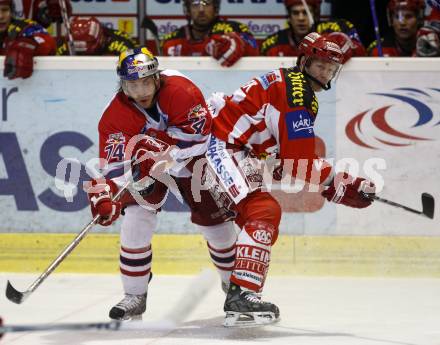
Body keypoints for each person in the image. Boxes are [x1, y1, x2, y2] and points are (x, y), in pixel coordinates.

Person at [206, 32, 376, 327]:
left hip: (231, 145)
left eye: (330, 68)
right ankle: (241, 293)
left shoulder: (289, 81)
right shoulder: (299, 96)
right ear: (304, 61)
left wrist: (330, 185)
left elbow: (276, 145)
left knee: (254, 213)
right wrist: (344, 183)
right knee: (263, 211)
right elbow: (299, 164)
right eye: (319, 65)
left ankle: (238, 288)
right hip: (222, 145)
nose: (325, 72)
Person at [85, 47, 238, 321]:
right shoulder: (115, 116)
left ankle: (236, 289)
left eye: (146, 81)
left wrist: (155, 150)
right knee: (135, 215)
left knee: (214, 222)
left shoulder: (181, 91)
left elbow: (198, 140)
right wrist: (105, 196)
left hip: (194, 158)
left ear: (157, 77)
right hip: (148, 164)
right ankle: (134, 295)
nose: (141, 90)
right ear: (122, 85)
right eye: (132, 84)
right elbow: (113, 169)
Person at [161, 0, 258, 67]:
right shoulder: (172, 40)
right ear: (188, 9)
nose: (201, 10)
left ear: (215, 8)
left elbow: (255, 51)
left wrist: (240, 43)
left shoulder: (234, 29)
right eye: (195, 4)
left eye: (206, 3)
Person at [261, 0, 365, 61]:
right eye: (296, 13)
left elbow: (360, 50)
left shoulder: (336, 28)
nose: (301, 18)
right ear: (289, 16)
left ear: (315, 15)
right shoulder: (272, 44)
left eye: (306, 12)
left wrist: (343, 47)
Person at [0, 0, 56, 79]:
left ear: (12, 12)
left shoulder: (22, 28)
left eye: (5, 10)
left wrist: (27, 45)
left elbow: (49, 42)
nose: (1, 16)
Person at [56, 16, 137, 55]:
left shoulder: (122, 46)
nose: (81, 49)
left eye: (85, 44)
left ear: (101, 38)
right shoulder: (66, 44)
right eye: (77, 44)